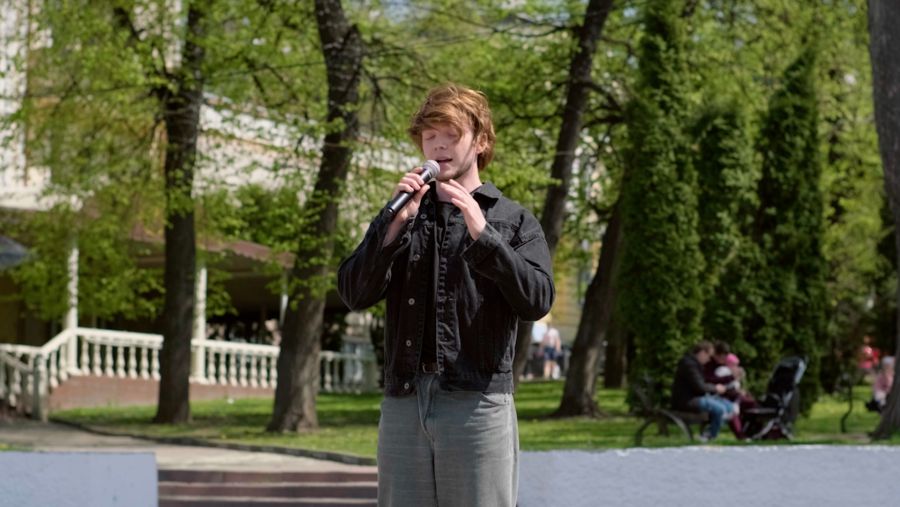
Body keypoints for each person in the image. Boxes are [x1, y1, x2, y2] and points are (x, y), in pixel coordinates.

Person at [337, 83, 555, 507]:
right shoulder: (403, 214)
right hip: (403, 403)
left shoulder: (512, 220)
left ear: (481, 142)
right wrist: (390, 232)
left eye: (451, 135)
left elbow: (537, 300)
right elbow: (353, 292)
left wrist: (485, 236)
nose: (438, 145)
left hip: (477, 402)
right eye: (429, 135)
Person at [671, 341, 736, 442]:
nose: (709, 359)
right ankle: (709, 436)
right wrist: (716, 388)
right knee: (720, 409)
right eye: (708, 356)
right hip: (687, 400)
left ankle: (708, 432)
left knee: (730, 407)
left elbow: (703, 384)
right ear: (702, 353)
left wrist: (715, 387)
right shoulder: (689, 365)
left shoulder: (695, 364)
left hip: (697, 397)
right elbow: (700, 386)